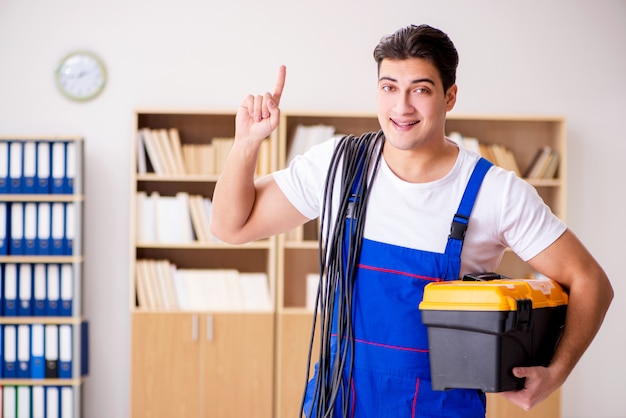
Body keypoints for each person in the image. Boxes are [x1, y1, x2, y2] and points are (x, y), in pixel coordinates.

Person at [210, 24, 613, 417]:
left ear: (450, 96)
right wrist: (247, 143)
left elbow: (590, 281)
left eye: (420, 89)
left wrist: (557, 372)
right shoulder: (338, 165)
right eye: (389, 88)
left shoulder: (496, 192)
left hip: (441, 407)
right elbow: (230, 226)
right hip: (339, 400)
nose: (402, 107)